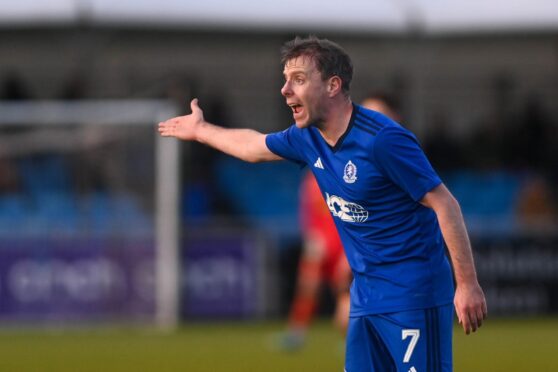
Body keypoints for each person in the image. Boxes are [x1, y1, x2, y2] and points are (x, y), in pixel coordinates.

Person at [159, 36, 487, 371]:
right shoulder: (307, 137)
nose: (285, 90)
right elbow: (252, 146)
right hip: (365, 297)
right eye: (285, 80)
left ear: (333, 85)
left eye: (298, 80)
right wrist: (200, 130)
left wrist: (467, 285)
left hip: (413, 295)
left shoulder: (383, 140)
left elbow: (446, 204)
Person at [277, 170, 352, 351]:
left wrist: (349, 249)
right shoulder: (310, 180)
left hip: (344, 246)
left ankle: (353, 340)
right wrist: (311, 237)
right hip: (319, 244)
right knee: (307, 286)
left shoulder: (345, 175)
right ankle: (297, 334)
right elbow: (307, 214)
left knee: (345, 295)